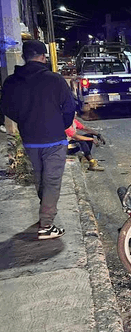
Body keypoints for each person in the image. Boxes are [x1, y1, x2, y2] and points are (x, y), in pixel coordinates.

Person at [1, 40, 76, 240]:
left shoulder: (11, 81)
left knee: (40, 179)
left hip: (30, 139)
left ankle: (46, 213)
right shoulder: (55, 80)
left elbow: (6, 109)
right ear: (43, 57)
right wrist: (60, 125)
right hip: (54, 140)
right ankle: (47, 224)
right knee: (51, 182)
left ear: (24, 57)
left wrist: (26, 121)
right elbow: (69, 108)